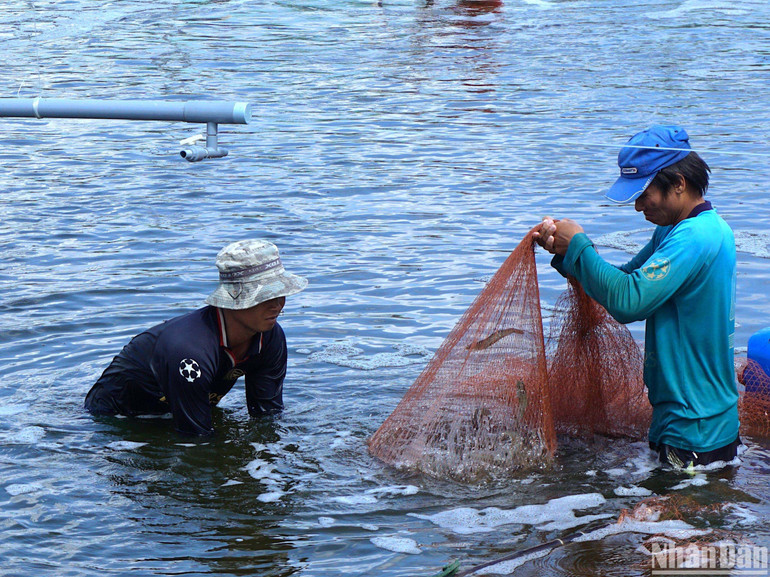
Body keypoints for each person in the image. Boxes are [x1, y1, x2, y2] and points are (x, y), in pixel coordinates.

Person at [534, 125, 740, 469]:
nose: (638, 206)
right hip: (682, 420)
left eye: (644, 194)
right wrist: (568, 255)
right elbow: (626, 281)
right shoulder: (676, 230)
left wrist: (581, 246)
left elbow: (629, 302)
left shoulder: (695, 236)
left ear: (678, 183)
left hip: (696, 429)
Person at [85, 239, 308, 436]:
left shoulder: (270, 338)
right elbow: (195, 439)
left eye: (280, 293)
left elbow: (267, 417)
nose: (277, 304)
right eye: (265, 295)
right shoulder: (190, 350)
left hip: (182, 410)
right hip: (115, 420)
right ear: (233, 299)